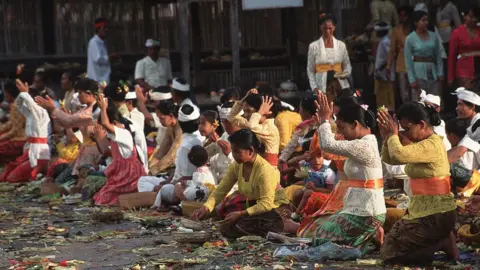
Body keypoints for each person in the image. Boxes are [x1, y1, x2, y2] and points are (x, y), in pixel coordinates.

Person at [305, 94, 385, 255]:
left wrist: (325, 120)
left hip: (367, 212)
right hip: (356, 208)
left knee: (320, 238)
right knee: (318, 236)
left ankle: (369, 237)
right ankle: (367, 240)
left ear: (355, 124)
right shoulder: (362, 142)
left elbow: (327, 145)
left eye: (342, 128)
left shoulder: (364, 145)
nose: (341, 133)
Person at [379, 103, 458, 264]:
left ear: (421, 124)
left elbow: (399, 155)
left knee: (392, 256)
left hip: (436, 214)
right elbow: (390, 159)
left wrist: (393, 135)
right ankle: (442, 240)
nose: (405, 134)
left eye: (407, 129)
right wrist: (388, 137)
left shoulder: (432, 144)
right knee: (389, 248)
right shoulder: (420, 144)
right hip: (422, 212)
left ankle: (441, 242)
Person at [191, 129, 293, 238]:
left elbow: (266, 204)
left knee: (237, 228)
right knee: (227, 227)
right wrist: (205, 208)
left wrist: (241, 213)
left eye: (237, 152)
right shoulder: (237, 166)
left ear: (250, 151)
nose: (233, 155)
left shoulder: (263, 170)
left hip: (276, 208)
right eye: (233, 151)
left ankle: (284, 225)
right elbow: (221, 190)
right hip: (256, 207)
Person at [36, 78, 102, 183]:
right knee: (59, 181)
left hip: (94, 153)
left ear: (89, 93)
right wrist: (60, 114)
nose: (78, 96)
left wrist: (53, 109)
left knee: (73, 184)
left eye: (80, 93)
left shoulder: (94, 111)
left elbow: (69, 121)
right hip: (84, 152)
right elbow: (67, 123)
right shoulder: (86, 109)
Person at [138, 104, 204, 209]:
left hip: (183, 186)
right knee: (143, 180)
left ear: (179, 122)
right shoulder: (201, 138)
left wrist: (163, 183)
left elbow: (179, 174)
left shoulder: (184, 145)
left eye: (161, 118)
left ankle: (157, 197)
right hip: (186, 183)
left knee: (155, 186)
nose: (160, 120)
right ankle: (157, 195)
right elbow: (162, 153)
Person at [92, 94, 146, 205]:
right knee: (98, 198)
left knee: (103, 200)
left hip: (130, 178)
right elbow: (105, 151)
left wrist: (103, 108)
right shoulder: (114, 136)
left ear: (115, 123)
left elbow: (106, 124)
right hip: (120, 176)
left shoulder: (123, 133)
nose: (104, 129)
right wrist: (97, 138)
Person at [0, 80, 51, 183]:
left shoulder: (40, 112)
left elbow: (31, 107)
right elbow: (18, 106)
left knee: (10, 178)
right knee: (4, 177)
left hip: (38, 153)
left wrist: (24, 93)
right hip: (29, 149)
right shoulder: (29, 113)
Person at [227, 89, 280, 166]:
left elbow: (252, 126)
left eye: (248, 111)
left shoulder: (270, 128)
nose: (245, 115)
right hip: (254, 168)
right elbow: (231, 117)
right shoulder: (253, 123)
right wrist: (244, 99)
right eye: (244, 111)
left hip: (268, 170)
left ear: (263, 111)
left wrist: (260, 112)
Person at [307, 13, 352, 100]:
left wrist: (339, 74)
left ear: (334, 27)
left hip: (340, 86)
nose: (327, 31)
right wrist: (314, 88)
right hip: (321, 86)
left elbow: (347, 67)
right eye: (324, 28)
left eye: (330, 28)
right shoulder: (313, 46)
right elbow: (310, 70)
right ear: (320, 27)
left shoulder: (341, 45)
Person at [404, 10, 444, 96]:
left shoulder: (433, 36)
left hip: (433, 72)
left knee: (434, 100)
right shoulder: (410, 38)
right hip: (418, 72)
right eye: (423, 20)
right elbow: (408, 60)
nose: (426, 22)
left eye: (427, 20)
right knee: (419, 102)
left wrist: (440, 72)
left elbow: (438, 56)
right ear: (416, 22)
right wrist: (411, 79)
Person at [290, 148, 335, 221]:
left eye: (319, 157)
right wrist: (302, 157)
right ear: (309, 159)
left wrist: (315, 189)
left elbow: (330, 190)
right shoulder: (306, 167)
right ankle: (297, 212)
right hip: (307, 190)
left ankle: (296, 214)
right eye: (313, 158)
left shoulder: (328, 172)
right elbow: (290, 163)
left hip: (321, 193)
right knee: (297, 193)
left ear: (323, 158)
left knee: (308, 193)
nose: (317, 161)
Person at [279, 95, 318, 167]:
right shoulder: (303, 127)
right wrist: (281, 159)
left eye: (300, 109)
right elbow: (292, 144)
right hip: (308, 164)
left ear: (307, 112)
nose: (299, 112)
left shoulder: (324, 125)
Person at [387, 6, 415, 103]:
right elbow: (392, 50)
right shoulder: (396, 30)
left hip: (416, 63)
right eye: (401, 15)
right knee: (404, 92)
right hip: (401, 63)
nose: (403, 18)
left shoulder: (415, 29)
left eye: (405, 15)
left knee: (415, 91)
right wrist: (388, 65)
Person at [448, 5, 480, 89]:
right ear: (464, 16)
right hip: (463, 69)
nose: (474, 20)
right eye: (471, 16)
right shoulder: (457, 32)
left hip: (478, 68)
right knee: (467, 96)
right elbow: (452, 55)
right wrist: (450, 77)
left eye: (476, 17)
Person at [148, 100, 182, 175]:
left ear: (171, 116)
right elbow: (161, 151)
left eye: (162, 118)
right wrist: (149, 167)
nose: (160, 121)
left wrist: (152, 171)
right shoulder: (170, 127)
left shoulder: (180, 129)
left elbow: (171, 156)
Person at [448, 88, 480, 164]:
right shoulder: (473, 124)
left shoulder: (477, 126)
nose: (456, 108)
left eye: (460, 104)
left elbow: (459, 152)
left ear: (472, 106)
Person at [0, 81, 26, 165]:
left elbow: (15, 131)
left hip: (21, 140)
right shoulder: (16, 104)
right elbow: (10, 124)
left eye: (5, 92)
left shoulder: (17, 105)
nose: (5, 95)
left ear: (9, 93)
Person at [374, 22, 396, 111]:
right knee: (381, 95)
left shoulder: (385, 42)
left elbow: (389, 57)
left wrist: (379, 69)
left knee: (386, 94)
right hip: (381, 73)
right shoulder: (382, 41)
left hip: (384, 73)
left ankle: (387, 112)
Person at [87, 18, 111, 83]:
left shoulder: (103, 42)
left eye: (107, 28)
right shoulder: (94, 42)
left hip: (104, 79)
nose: (107, 30)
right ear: (98, 29)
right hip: (97, 80)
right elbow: (98, 59)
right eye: (104, 28)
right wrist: (111, 58)